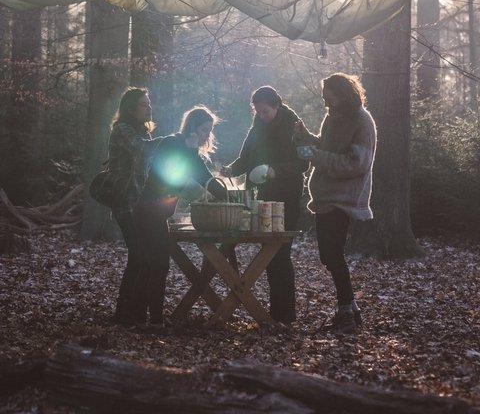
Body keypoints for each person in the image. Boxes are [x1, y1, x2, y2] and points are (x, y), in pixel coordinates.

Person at [293, 72, 377, 335]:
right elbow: (325, 148)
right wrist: (306, 139)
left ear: (343, 94)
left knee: (333, 255)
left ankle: (347, 312)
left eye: (329, 99)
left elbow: (355, 163)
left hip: (344, 199)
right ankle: (349, 310)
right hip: (324, 197)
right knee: (328, 256)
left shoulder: (363, 122)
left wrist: (314, 154)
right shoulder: (332, 118)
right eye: (324, 101)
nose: (326, 105)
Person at [132, 105, 228, 332]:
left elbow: (205, 177)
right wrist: (191, 151)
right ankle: (153, 321)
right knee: (157, 265)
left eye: (209, 130)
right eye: (205, 129)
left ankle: (141, 320)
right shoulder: (171, 143)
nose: (207, 135)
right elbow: (170, 174)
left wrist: (231, 197)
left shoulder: (191, 151)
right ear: (193, 127)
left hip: (156, 211)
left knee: (149, 266)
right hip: (148, 209)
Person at [222, 86, 309, 325]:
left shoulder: (294, 125)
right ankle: (276, 313)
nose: (262, 116)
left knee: (280, 252)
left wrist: (275, 171)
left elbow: (303, 164)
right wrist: (231, 169)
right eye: (258, 112)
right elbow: (245, 158)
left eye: (265, 111)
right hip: (264, 197)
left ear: (277, 106)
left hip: (287, 198)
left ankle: (286, 314)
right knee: (270, 255)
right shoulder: (257, 126)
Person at [108, 86, 163, 327]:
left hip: (141, 204)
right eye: (144, 104)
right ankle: (126, 313)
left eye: (149, 103)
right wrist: (173, 141)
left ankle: (132, 312)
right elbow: (141, 150)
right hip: (125, 203)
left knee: (140, 257)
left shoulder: (143, 132)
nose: (149, 108)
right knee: (139, 257)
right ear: (131, 109)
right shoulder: (122, 130)